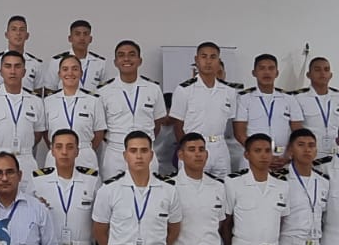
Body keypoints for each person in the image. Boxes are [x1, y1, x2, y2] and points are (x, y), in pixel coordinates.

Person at [98, 40, 168, 179]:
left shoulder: (153, 89)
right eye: (121, 55)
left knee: (149, 193)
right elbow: (100, 127)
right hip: (116, 152)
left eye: (131, 54)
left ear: (139, 60)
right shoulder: (103, 91)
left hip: (145, 151)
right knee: (114, 195)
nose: (126, 59)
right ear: (115, 61)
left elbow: (158, 122)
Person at [170, 42, 241, 176]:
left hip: (220, 146)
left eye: (213, 57)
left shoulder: (229, 91)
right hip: (193, 147)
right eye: (204, 57)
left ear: (218, 61)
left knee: (223, 189)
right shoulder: (184, 90)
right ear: (196, 60)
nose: (208, 61)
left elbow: (231, 123)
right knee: (192, 188)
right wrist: (187, 149)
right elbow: (178, 125)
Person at [0, 51, 47, 175]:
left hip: (25, 160)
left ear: (24, 72)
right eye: (8, 66)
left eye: (17, 66)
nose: (13, 71)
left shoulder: (36, 101)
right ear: (1, 71)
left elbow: (38, 133)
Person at [233, 53, 304, 171]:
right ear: (254, 73)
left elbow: (297, 132)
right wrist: (260, 154)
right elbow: (240, 133)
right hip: (253, 158)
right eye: (262, 68)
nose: (267, 72)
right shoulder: (244, 99)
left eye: (271, 68)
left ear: (276, 73)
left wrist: (288, 155)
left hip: (283, 159)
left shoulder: (289, 99)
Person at [41, 54, 107, 172]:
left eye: (75, 69)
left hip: (84, 155)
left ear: (81, 73)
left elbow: (99, 133)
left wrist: (83, 148)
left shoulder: (94, 100)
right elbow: (45, 132)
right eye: (65, 69)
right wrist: (57, 147)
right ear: (59, 74)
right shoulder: (48, 101)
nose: (70, 73)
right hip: (56, 155)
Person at [292, 57, 339, 153]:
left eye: (326, 70)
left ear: (331, 75)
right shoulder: (298, 98)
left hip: (336, 152)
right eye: (317, 70)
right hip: (310, 152)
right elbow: (297, 129)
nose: (322, 73)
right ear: (308, 75)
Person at [42, 19, 112, 93]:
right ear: (70, 38)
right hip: (64, 103)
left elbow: (106, 91)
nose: (82, 38)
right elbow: (49, 90)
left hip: (93, 104)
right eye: (77, 34)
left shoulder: (100, 63)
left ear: (90, 39)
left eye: (85, 34)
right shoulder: (57, 61)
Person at [0, 15, 44, 93]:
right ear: (6, 34)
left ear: (27, 36)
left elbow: (37, 94)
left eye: (22, 30)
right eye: (14, 29)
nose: (18, 33)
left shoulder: (36, 64)